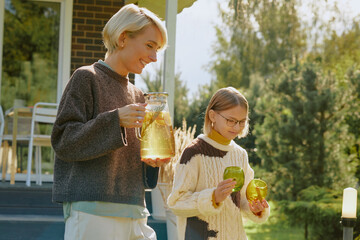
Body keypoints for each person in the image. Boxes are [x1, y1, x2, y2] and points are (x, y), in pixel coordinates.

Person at [51, 4, 168, 240]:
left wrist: (151, 163)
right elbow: (63, 140)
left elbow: (126, 160)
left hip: (135, 211)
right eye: (149, 46)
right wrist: (115, 120)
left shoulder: (137, 94)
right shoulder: (86, 78)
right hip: (93, 213)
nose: (154, 58)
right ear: (123, 37)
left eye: (157, 50)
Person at [167, 87, 270, 239]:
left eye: (242, 122)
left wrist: (255, 208)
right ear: (212, 115)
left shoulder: (240, 154)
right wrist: (213, 197)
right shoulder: (194, 153)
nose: (236, 127)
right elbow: (176, 203)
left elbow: (242, 199)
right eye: (231, 120)